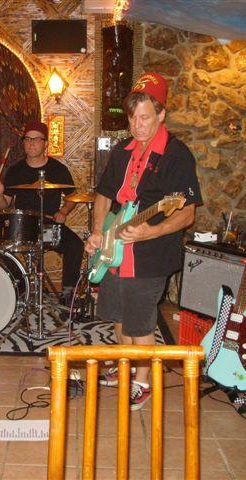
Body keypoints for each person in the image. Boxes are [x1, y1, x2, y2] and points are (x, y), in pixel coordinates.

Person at [85, 72, 202, 410]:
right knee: (118, 313)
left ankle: (142, 382)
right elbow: (104, 195)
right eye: (132, 118)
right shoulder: (122, 151)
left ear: (161, 114)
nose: (136, 126)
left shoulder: (177, 155)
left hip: (151, 253)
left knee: (140, 320)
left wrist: (150, 231)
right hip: (114, 248)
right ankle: (125, 364)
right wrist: (98, 231)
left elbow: (187, 213)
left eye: (145, 118)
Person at [0, 120, 84, 300]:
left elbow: (72, 196)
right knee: (0, 247)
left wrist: (63, 212)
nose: (31, 143)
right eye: (27, 139)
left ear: (46, 143)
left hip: (49, 226)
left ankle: (68, 296)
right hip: (22, 227)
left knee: (76, 245)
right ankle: (14, 294)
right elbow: (4, 206)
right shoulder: (15, 171)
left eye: (36, 139)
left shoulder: (58, 169)